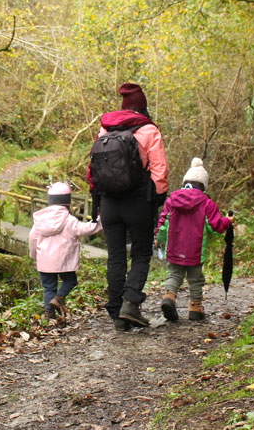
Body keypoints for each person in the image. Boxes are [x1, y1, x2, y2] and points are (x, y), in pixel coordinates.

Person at [89, 83, 168, 330]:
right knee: (141, 254)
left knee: (115, 257)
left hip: (109, 202)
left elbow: (92, 168)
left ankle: (115, 311)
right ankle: (130, 303)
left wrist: (98, 199)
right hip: (138, 201)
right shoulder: (148, 130)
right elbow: (159, 170)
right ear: (143, 106)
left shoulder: (105, 129)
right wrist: (158, 198)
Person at [155, 158, 234, 321]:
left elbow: (163, 223)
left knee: (174, 275)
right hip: (195, 251)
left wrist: (159, 239)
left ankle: (169, 297)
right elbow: (216, 226)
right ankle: (195, 308)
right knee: (195, 279)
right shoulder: (207, 203)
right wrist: (228, 221)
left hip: (174, 248)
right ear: (203, 185)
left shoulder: (172, 200)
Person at [29, 182, 103, 321]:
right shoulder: (69, 220)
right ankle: (59, 297)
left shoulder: (40, 219)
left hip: (45, 260)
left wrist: (34, 255)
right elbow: (86, 229)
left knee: (49, 288)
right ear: (67, 201)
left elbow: (32, 238)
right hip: (64, 261)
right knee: (70, 280)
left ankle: (49, 315)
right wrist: (100, 219)